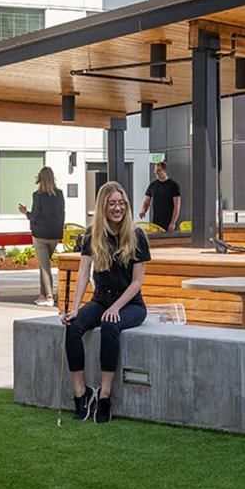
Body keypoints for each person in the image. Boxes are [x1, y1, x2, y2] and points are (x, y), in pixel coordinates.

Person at [62, 180, 150, 424]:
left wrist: (116, 307)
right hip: (100, 299)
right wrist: (75, 308)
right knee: (73, 326)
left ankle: (105, 395)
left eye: (121, 203)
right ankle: (81, 392)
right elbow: (83, 273)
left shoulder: (137, 236)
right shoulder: (93, 234)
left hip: (130, 304)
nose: (118, 208)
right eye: (112, 204)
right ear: (103, 206)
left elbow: (137, 283)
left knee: (111, 325)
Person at [18, 166, 65, 307]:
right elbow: (62, 214)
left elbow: (35, 216)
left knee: (44, 267)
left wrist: (25, 212)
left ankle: (49, 297)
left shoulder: (37, 195)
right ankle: (42, 294)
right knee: (43, 265)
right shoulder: (60, 194)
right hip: (55, 234)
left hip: (40, 234)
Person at [139, 161, 181, 231]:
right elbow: (146, 201)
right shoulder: (152, 185)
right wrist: (143, 210)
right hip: (156, 222)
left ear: (164, 170)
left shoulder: (174, 185)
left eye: (158, 170)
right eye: (155, 171)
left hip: (169, 222)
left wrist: (173, 223)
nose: (156, 173)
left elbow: (177, 206)